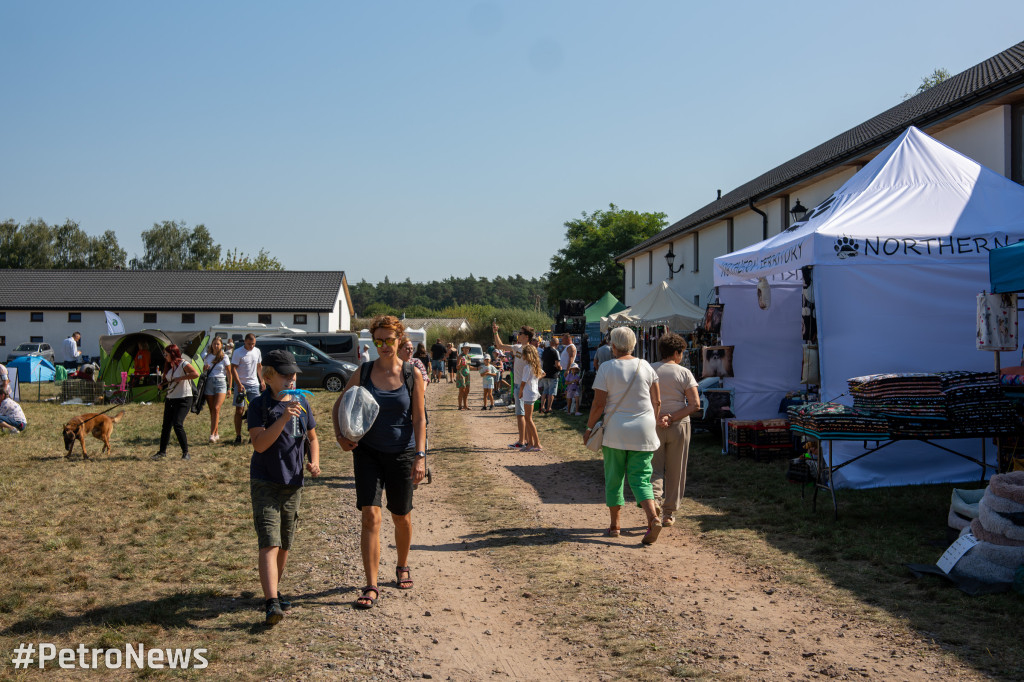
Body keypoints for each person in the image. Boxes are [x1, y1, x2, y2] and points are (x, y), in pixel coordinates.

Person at [334, 315, 426, 610]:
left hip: (402, 452)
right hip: (368, 453)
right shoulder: (363, 372)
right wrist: (340, 435)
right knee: (370, 516)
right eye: (379, 340)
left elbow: (419, 418)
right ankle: (371, 584)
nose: (385, 345)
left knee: (401, 516)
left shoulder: (412, 374)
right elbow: (340, 403)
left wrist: (420, 456)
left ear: (400, 340)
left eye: (390, 339)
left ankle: (402, 564)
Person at [248, 349, 321, 625]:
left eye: (294, 374)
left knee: (285, 543)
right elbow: (260, 444)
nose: (292, 379)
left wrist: (314, 462)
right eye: (285, 374)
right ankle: (270, 603)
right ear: (268, 376)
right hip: (265, 481)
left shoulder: (302, 404)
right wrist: (281, 418)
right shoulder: (259, 406)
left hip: (293, 482)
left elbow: (312, 439)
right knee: (269, 540)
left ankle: (275, 592)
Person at [584, 326, 662, 544]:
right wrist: (653, 423)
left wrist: (589, 428)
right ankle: (653, 518)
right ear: (634, 344)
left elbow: (599, 404)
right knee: (641, 477)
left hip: (616, 431)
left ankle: (615, 525)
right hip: (644, 429)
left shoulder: (607, 367)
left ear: (614, 346)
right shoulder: (646, 366)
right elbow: (657, 401)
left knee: (614, 477)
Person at [651, 332, 700, 528]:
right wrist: (671, 417)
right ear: (677, 353)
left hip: (653, 424)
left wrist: (659, 417)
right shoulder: (684, 372)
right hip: (679, 425)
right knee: (676, 470)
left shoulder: (649, 370)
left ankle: (653, 502)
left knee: (653, 468)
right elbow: (694, 404)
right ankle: (668, 513)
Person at [491, 323, 535, 449]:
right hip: (517, 384)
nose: (518, 335)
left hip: (524, 385)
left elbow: (534, 368)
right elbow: (500, 345)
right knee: (521, 414)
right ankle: (525, 440)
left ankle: (522, 442)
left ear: (526, 337)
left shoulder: (529, 350)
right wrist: (495, 332)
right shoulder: (517, 347)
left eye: (520, 333)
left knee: (522, 414)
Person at [152, 344, 199, 461]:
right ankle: (162, 452)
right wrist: (161, 385)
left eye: (166, 354)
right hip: (170, 398)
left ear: (172, 354)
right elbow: (167, 380)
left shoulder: (183, 364)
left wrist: (181, 378)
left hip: (184, 398)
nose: (164, 356)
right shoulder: (168, 365)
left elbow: (195, 374)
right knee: (166, 426)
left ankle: (185, 453)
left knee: (178, 424)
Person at [231, 333, 265, 446]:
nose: (251, 346)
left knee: (254, 410)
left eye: (253, 344)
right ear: (245, 342)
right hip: (241, 385)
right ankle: (238, 435)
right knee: (239, 411)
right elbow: (233, 369)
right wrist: (239, 384)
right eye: (249, 344)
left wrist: (262, 380)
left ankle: (253, 435)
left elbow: (259, 366)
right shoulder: (238, 352)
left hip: (254, 385)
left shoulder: (257, 351)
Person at [203, 336, 233, 443]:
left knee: (216, 408)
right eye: (214, 343)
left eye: (218, 344)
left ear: (221, 345)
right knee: (212, 410)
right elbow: (203, 372)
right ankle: (216, 433)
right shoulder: (207, 357)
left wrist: (230, 388)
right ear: (212, 345)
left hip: (221, 383)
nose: (216, 346)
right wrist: (204, 369)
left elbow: (229, 373)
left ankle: (212, 434)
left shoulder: (224, 357)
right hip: (209, 383)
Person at [517, 343, 544, 451]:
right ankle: (530, 443)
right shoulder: (535, 366)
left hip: (528, 393)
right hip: (532, 392)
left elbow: (523, 381)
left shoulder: (527, 367)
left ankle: (537, 443)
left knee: (528, 419)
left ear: (527, 355)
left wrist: (520, 391)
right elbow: (543, 373)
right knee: (528, 418)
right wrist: (535, 380)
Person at [539, 339, 560, 414]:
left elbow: (543, 360)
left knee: (545, 391)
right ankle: (549, 408)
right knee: (551, 392)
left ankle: (542, 407)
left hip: (545, 373)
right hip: (553, 374)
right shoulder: (555, 351)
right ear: (555, 344)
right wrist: (560, 368)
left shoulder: (545, 350)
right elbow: (557, 364)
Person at [558, 334, 577, 410]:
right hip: (564, 370)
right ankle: (567, 405)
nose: (562, 341)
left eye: (563, 339)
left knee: (568, 389)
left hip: (567, 370)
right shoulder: (567, 347)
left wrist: (568, 370)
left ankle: (570, 406)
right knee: (565, 390)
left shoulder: (571, 347)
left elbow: (571, 359)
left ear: (568, 339)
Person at [456, 344, 472, 410]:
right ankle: (460, 406)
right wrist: (460, 364)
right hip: (461, 375)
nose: (466, 349)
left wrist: (478, 368)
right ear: (462, 349)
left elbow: (469, 366)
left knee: (467, 390)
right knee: (462, 390)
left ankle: (465, 405)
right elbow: (457, 367)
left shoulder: (468, 356)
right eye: (465, 348)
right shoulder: (460, 356)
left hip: (467, 375)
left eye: (468, 348)